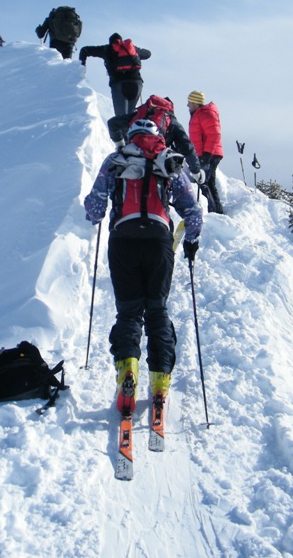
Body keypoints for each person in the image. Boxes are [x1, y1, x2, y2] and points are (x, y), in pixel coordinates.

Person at [84, 118, 204, 414]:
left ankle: (128, 370)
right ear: (156, 137)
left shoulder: (116, 160)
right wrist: (191, 240)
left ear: (132, 137)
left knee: (128, 312)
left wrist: (99, 214)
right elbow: (191, 208)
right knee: (157, 311)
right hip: (159, 243)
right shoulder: (169, 161)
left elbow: (94, 208)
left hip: (123, 242)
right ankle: (160, 381)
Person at [79, 33, 152, 116]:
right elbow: (148, 54)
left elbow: (85, 50)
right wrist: (133, 49)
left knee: (120, 117)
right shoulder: (131, 49)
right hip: (136, 83)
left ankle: (123, 128)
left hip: (118, 84)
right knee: (131, 115)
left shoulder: (106, 49)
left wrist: (82, 66)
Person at [187, 90, 224, 214]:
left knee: (204, 182)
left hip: (209, 154)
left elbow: (214, 135)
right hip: (205, 153)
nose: (188, 105)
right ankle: (216, 211)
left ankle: (212, 211)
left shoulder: (205, 114)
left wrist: (206, 157)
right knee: (209, 182)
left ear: (196, 104)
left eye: (190, 103)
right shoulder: (199, 114)